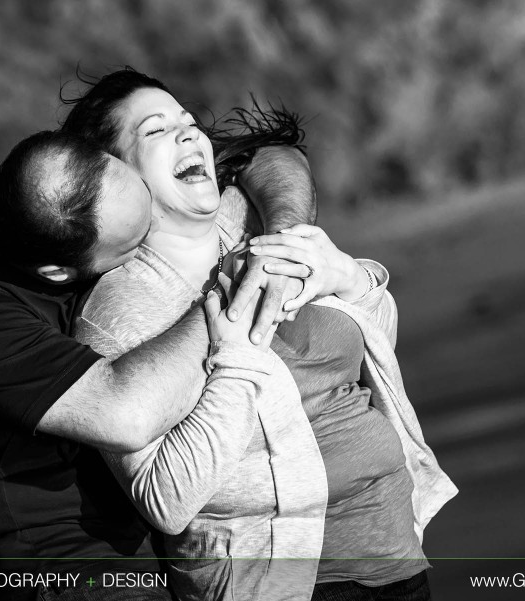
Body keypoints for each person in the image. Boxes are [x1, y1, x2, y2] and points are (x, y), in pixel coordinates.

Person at [65, 70, 458, 601]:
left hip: (394, 553)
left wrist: (347, 276)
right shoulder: (120, 310)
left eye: (187, 121)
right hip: (277, 584)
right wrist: (233, 357)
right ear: (115, 175)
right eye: (156, 131)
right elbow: (165, 500)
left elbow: (374, 346)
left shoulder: (246, 218)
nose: (187, 134)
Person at [0, 123, 317, 600]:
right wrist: (238, 280)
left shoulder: (56, 188)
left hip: (159, 549)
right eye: (131, 246)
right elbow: (127, 416)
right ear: (58, 273)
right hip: (73, 569)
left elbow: (267, 156)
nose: (151, 245)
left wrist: (286, 235)